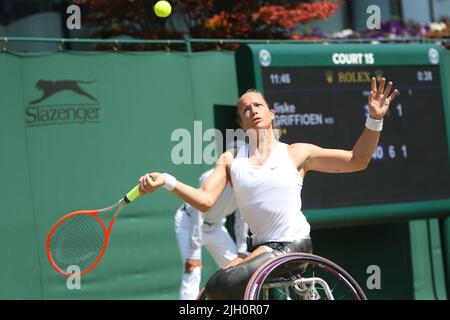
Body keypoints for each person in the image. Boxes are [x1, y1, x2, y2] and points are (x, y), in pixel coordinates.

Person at [139, 78, 397, 299]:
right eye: (246, 109)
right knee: (209, 291)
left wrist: (375, 118)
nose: (253, 110)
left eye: (258, 105)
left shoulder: (298, 153)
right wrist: (167, 181)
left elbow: (358, 160)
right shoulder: (230, 160)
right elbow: (205, 201)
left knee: (224, 283)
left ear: (272, 113)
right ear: (241, 123)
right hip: (259, 248)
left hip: (293, 245)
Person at [175, 168, 249, 300]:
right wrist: (193, 254)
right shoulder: (210, 176)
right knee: (193, 271)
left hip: (216, 227)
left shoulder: (246, 181)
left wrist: (242, 249)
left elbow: (242, 216)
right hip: (189, 222)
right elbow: (197, 212)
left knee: (236, 268)